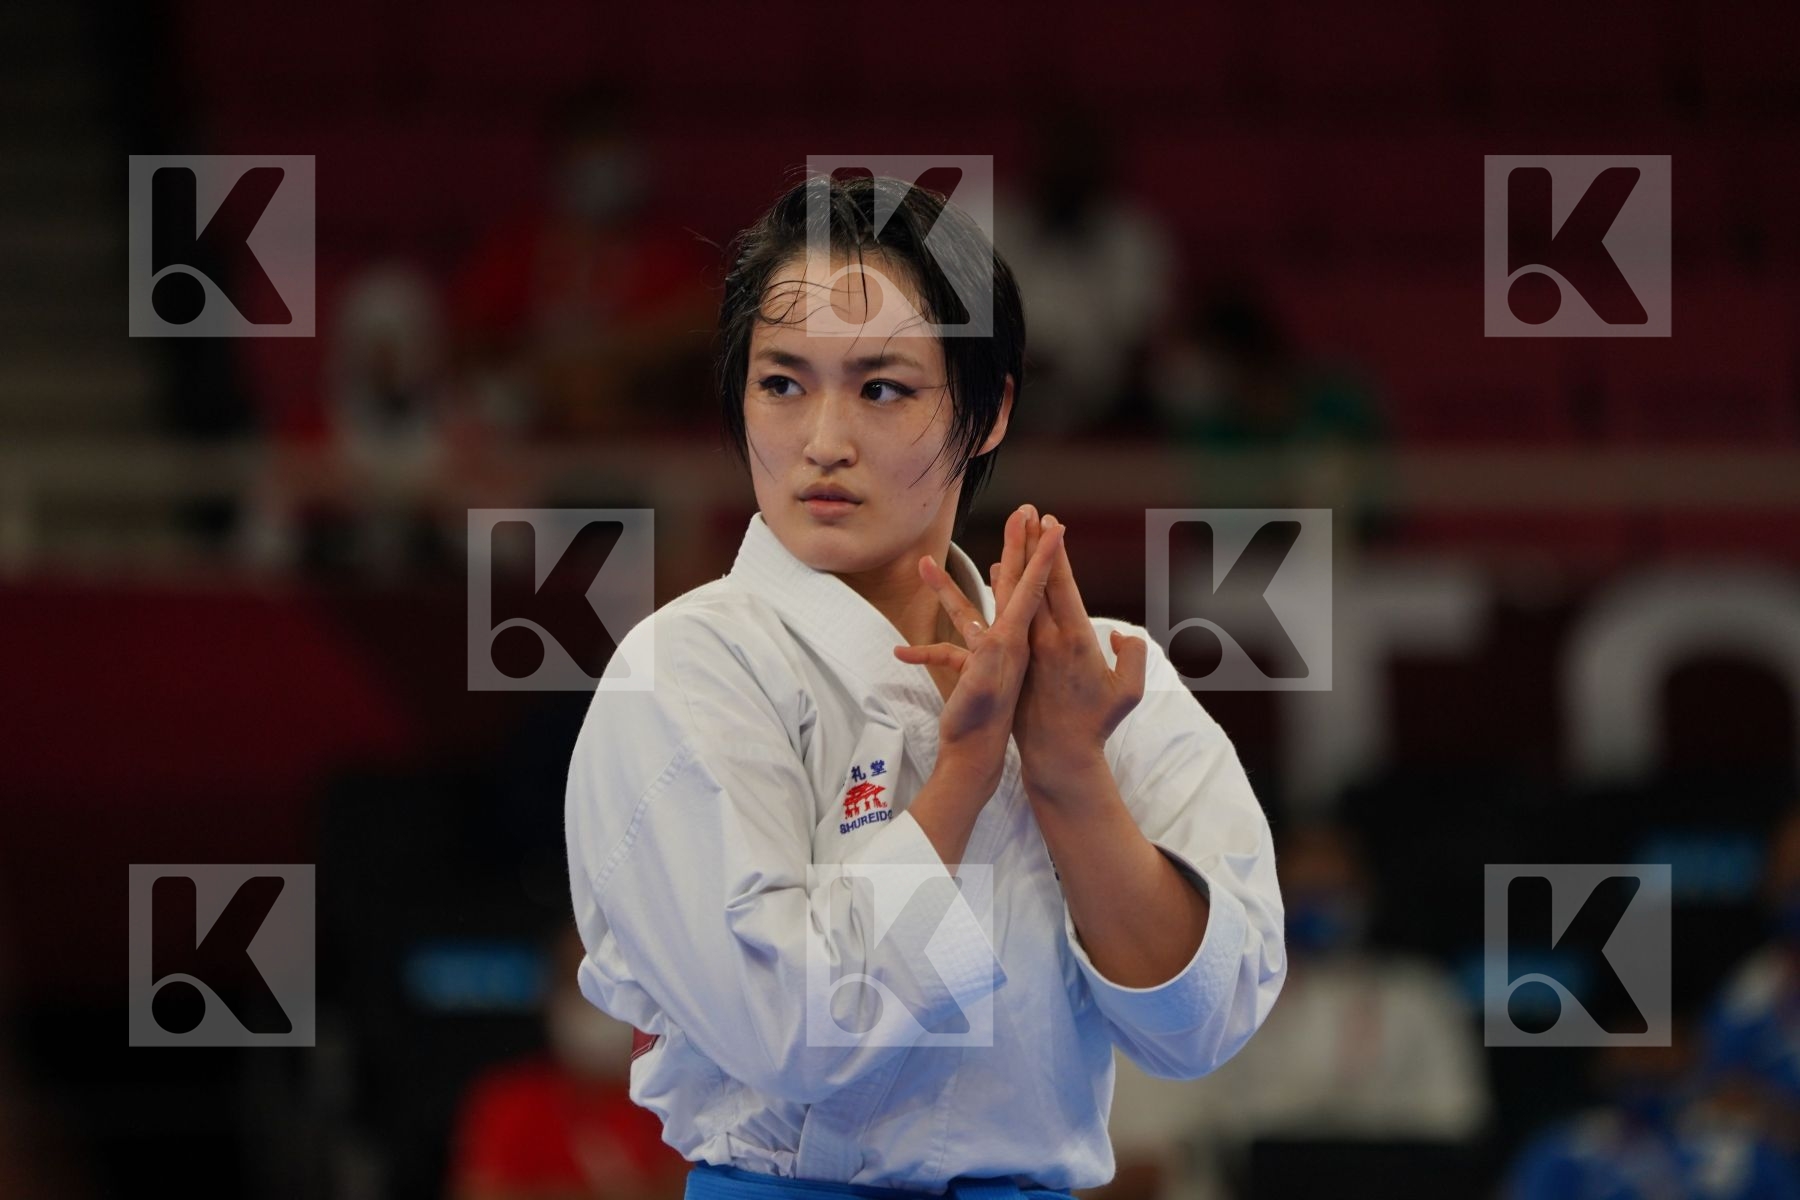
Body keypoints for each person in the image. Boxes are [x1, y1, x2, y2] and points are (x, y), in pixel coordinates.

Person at [563, 174, 1286, 1200]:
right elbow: (790, 1033)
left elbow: (1208, 1023)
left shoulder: (1097, 675)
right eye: (782, 384)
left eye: (882, 389)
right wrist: (963, 775)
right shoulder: (683, 671)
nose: (824, 441)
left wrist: (1069, 773)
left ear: (989, 412)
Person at [448, 926, 690, 1200]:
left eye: (611, 988)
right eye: (580, 987)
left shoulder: (677, 1101)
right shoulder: (508, 1103)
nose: (596, 1006)